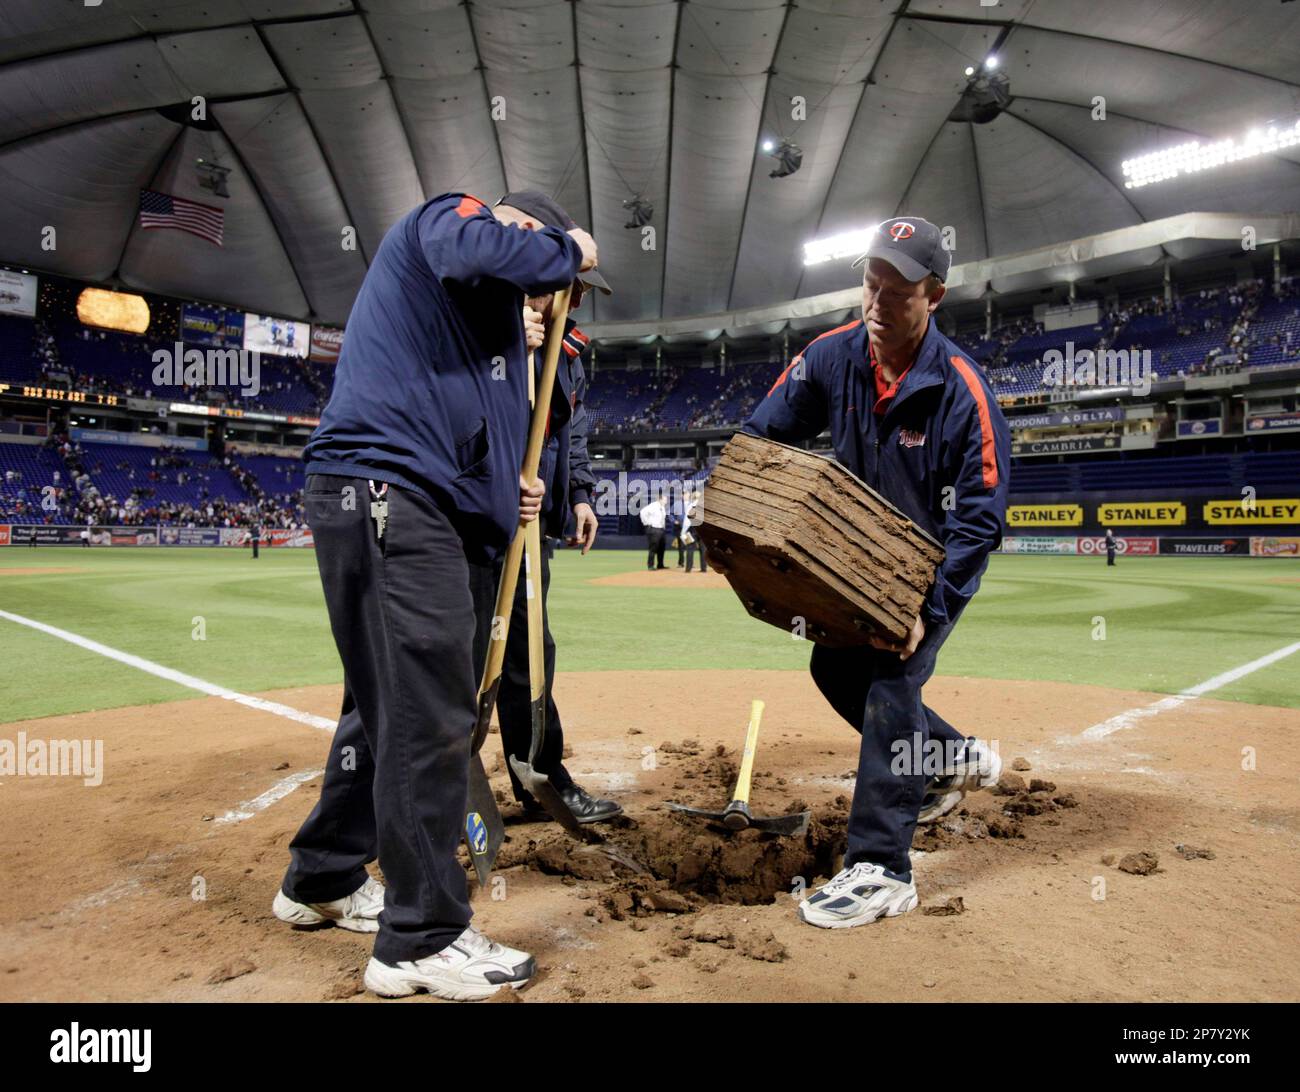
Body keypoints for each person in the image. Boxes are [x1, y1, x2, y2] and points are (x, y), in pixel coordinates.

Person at [271, 188, 598, 1000]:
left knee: (386, 709)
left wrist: (513, 502)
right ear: (519, 233)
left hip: (394, 503)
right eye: (546, 275)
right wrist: (574, 249)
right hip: (384, 495)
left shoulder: (487, 348)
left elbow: (482, 471)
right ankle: (419, 938)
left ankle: (324, 875)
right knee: (429, 714)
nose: (553, 300)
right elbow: (476, 248)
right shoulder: (448, 220)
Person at [743, 216, 1010, 930]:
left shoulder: (961, 390)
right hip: (853, 563)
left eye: (898, 292)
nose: (878, 304)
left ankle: (884, 869)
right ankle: (951, 758)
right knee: (834, 672)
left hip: (929, 568)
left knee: (893, 675)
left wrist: (933, 601)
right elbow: (761, 436)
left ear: (935, 296)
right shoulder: (830, 359)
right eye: (870, 284)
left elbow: (980, 517)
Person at [468, 221, 621, 826]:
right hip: (476, 517)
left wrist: (580, 493)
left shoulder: (570, 346)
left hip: (531, 521)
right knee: (468, 650)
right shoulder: (481, 322)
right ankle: (440, 782)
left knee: (531, 651)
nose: (578, 298)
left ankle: (538, 774)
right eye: (573, 284)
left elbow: (568, 428)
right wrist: (508, 348)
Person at [640, 491, 668, 569]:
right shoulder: (653, 506)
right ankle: (650, 565)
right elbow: (643, 512)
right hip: (654, 529)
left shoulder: (662, 507)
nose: (666, 501)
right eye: (665, 499)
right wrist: (647, 523)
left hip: (661, 529)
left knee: (661, 548)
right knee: (653, 548)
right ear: (660, 499)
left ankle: (660, 564)